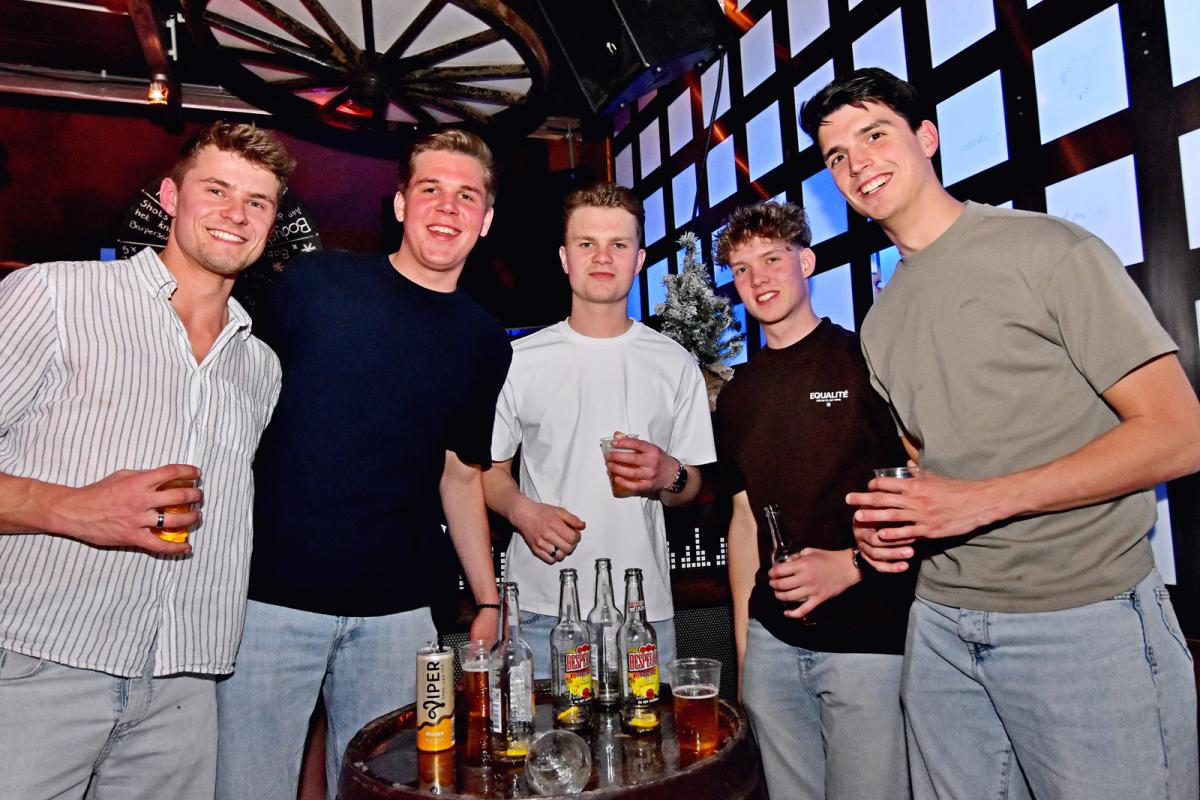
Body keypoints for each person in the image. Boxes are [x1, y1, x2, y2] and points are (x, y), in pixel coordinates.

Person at [801, 67, 1200, 800]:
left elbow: (1180, 434)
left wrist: (980, 500)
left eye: (875, 134)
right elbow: (931, 473)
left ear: (927, 137)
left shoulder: (1046, 251)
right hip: (939, 625)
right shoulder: (880, 322)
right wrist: (892, 529)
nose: (857, 164)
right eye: (837, 156)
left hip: (1081, 617)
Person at [215, 129, 510, 800]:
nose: (448, 207)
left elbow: (460, 473)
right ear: (401, 205)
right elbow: (236, 410)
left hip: (400, 619)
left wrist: (487, 597)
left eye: (467, 196)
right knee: (247, 788)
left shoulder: (485, 341)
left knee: (393, 790)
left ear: (486, 220)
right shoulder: (315, 284)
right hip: (269, 603)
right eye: (430, 189)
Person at [0, 121, 291, 799]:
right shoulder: (56, 297)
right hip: (39, 665)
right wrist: (71, 509)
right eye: (216, 190)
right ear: (170, 196)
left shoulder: (259, 365)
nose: (236, 213)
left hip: (184, 686)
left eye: (257, 201)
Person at [713, 200, 914, 799]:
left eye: (772, 259)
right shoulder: (739, 394)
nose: (759, 278)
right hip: (772, 647)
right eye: (743, 269)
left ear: (806, 262)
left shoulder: (865, 362)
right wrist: (747, 652)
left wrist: (851, 564)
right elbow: (743, 520)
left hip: (867, 638)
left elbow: (921, 483)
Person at [482, 182, 716, 676]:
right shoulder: (518, 360)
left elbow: (691, 485)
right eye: (587, 243)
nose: (603, 257)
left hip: (643, 613)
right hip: (540, 610)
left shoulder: (675, 364)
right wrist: (523, 511)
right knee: (540, 731)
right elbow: (488, 472)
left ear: (639, 259)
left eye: (619, 244)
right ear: (564, 257)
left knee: (653, 731)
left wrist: (669, 474)